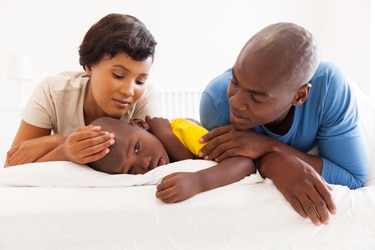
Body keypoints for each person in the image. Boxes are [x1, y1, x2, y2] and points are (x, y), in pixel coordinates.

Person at [198, 22, 368, 226]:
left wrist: (270, 148)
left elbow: (354, 177)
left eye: (256, 97)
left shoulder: (330, 88)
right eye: (235, 82)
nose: (236, 101)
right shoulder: (216, 102)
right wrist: (269, 162)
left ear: (300, 95)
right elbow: (235, 166)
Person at [5, 13, 159, 167]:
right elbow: (12, 168)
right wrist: (63, 147)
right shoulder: (54, 92)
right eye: (118, 76)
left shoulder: (144, 99)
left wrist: (57, 144)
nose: (129, 91)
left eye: (140, 81)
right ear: (89, 66)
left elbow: (159, 164)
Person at [87, 116, 256, 203]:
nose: (144, 164)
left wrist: (198, 181)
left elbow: (244, 162)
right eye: (131, 170)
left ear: (140, 125)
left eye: (137, 148)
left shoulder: (181, 129)